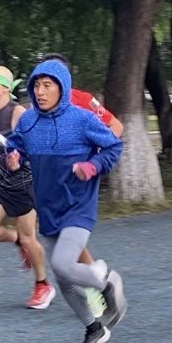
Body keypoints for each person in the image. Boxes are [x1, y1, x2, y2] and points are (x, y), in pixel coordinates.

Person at [6, 58, 127, 343]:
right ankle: (94, 329)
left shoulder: (82, 119)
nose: (41, 91)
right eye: (37, 85)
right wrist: (14, 156)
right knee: (63, 278)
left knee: (61, 264)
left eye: (48, 85)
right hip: (48, 207)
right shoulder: (29, 121)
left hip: (78, 206)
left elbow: (113, 146)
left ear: (63, 88)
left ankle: (106, 281)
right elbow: (15, 143)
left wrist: (92, 165)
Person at [35, 52, 123, 316]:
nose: (43, 87)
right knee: (66, 245)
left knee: (69, 243)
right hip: (50, 188)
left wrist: (92, 160)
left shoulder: (83, 100)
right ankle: (94, 279)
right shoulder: (38, 106)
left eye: (50, 80)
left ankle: (97, 284)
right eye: (40, 80)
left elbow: (116, 127)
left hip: (79, 185)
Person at [0, 65, 55, 310]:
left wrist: (19, 156)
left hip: (24, 184)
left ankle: (43, 284)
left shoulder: (18, 112)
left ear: (6, 88)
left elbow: (36, 144)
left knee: (30, 239)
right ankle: (17, 241)